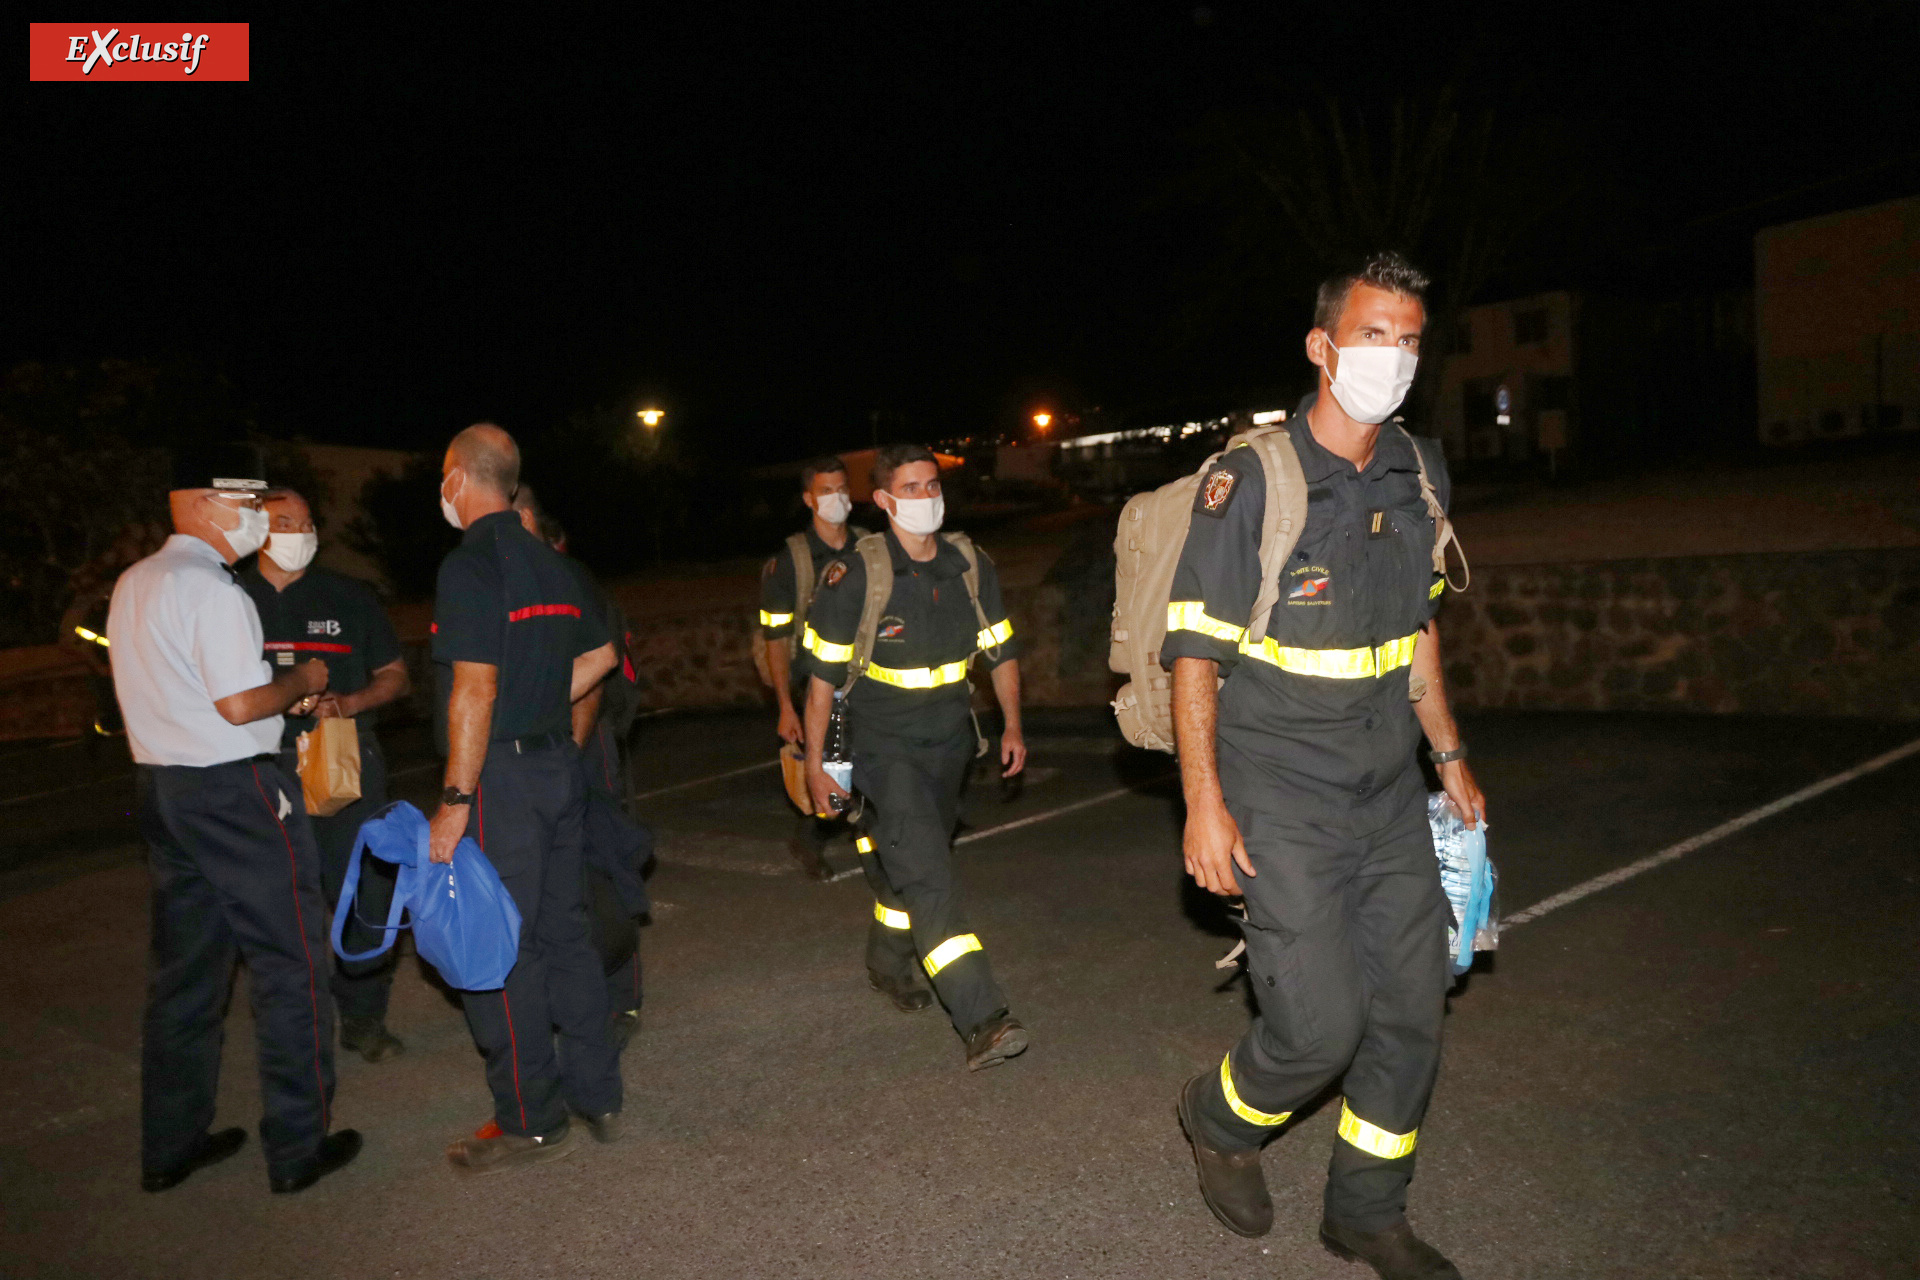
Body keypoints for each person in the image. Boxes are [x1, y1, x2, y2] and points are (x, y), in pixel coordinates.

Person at [1163, 252, 1486, 1280]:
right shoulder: (1252, 477)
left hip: (1389, 788)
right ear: (1321, 345)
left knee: (1410, 1006)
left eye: (1408, 340)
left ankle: (1365, 1210)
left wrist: (1450, 756)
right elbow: (1196, 653)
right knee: (1316, 1027)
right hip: (1279, 791)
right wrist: (1203, 802)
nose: (1390, 357)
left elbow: (1413, 631)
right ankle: (1219, 1115)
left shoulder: (1419, 467)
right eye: (1371, 334)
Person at [107, 441, 361, 1195]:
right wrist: (305, 676)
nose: (258, 520)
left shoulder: (134, 582)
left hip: (164, 791)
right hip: (236, 792)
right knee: (292, 965)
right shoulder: (215, 590)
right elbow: (241, 703)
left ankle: (170, 1145)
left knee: (186, 977)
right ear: (206, 504)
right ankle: (296, 1148)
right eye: (249, 506)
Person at [429, 424, 623, 1175]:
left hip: (501, 782)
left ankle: (530, 1119)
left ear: (458, 479)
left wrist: (454, 798)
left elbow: (473, 690)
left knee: (500, 949)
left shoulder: (470, 567)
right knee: (566, 934)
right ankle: (599, 1094)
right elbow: (603, 654)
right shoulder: (553, 562)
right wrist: (540, 698)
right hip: (555, 768)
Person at [801, 443, 1030, 1070]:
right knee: (930, 874)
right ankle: (983, 1017)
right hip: (883, 747)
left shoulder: (969, 565)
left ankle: (885, 961)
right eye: (911, 488)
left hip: (952, 744)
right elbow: (822, 679)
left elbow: (1001, 654)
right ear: (882, 500)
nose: (926, 498)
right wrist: (814, 762)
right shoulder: (857, 577)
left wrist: (1012, 724)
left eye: (933, 485)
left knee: (904, 868)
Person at [239, 488, 412, 1063]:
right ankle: (297, 1030)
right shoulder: (231, 596)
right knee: (279, 902)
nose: (300, 531)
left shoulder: (349, 596)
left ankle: (364, 1018)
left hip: (347, 759)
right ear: (255, 531)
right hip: (264, 767)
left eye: (308, 521)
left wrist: (351, 702)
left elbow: (395, 674)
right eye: (285, 522)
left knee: (363, 889)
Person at [512, 485, 651, 1051]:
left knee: (604, 858)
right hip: (541, 750)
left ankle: (620, 998)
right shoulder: (513, 586)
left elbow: (599, 671)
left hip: (585, 747)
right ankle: (572, 992)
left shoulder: (573, 584)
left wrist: (568, 750)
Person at [761, 455, 865, 879]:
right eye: (826, 491)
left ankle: (870, 832)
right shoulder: (790, 561)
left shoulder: (869, 546)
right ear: (808, 498)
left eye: (842, 488)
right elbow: (775, 640)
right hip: (821, 684)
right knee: (834, 770)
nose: (836, 498)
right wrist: (785, 705)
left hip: (870, 676)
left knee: (877, 762)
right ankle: (813, 834)